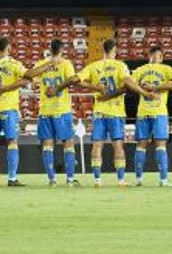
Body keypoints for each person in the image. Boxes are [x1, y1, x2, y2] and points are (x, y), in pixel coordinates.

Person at [65, 38, 151, 187]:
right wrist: (142, 91)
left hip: (99, 112)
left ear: (103, 50)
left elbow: (76, 80)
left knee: (97, 145)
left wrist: (95, 88)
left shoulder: (94, 66)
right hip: (116, 112)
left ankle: (97, 180)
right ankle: (120, 180)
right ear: (115, 50)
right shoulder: (120, 66)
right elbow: (128, 82)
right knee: (118, 145)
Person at [0, 36, 56, 187]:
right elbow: (29, 75)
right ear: (9, 48)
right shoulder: (13, 64)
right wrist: (47, 65)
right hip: (9, 109)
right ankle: (12, 178)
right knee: (12, 142)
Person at [131, 44, 172, 186]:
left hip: (143, 112)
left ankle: (139, 180)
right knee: (161, 145)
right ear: (161, 56)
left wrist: (144, 90)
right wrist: (159, 87)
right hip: (159, 112)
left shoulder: (140, 70)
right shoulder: (165, 69)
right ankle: (163, 180)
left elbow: (129, 83)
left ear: (149, 55)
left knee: (141, 145)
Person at [34, 39, 79, 186]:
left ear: (50, 49)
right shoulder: (65, 64)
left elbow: (31, 77)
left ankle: (52, 179)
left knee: (47, 144)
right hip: (62, 109)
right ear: (62, 50)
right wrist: (58, 88)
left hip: (45, 110)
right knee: (68, 142)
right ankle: (70, 179)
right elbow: (72, 80)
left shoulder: (41, 64)